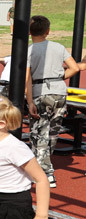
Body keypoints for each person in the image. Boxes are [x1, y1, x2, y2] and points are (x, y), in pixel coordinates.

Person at [25, 15, 81, 188]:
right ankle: (43, 166)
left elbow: (27, 77)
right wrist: (57, 78)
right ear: (47, 31)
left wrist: (29, 101)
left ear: (29, 31)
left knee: (38, 132)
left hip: (40, 91)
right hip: (59, 91)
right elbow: (75, 68)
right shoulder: (58, 47)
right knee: (52, 131)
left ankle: (45, 172)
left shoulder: (30, 50)